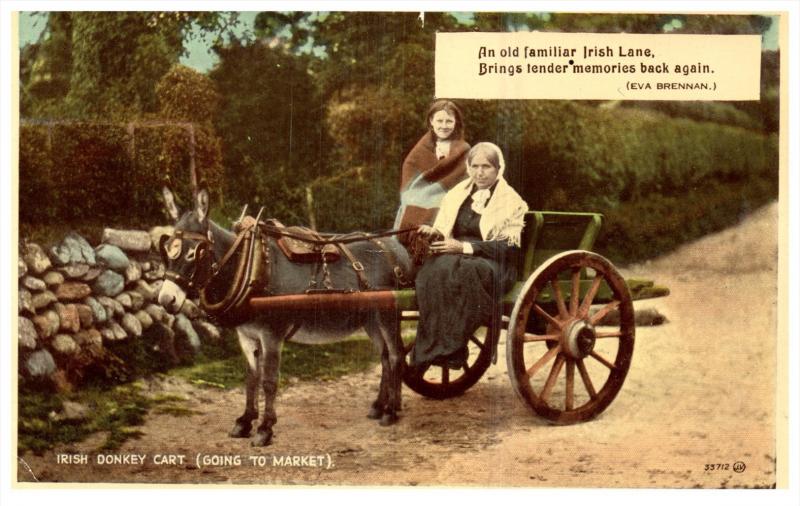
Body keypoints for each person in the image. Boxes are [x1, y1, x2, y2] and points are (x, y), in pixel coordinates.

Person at [410, 142, 529, 371]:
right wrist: (434, 232)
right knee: (431, 270)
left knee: (465, 272)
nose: (480, 172)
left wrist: (465, 248)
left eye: (487, 166)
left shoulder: (511, 201)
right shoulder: (458, 194)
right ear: (468, 167)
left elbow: (507, 247)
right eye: (474, 166)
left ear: (498, 169)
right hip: (457, 256)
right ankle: (432, 351)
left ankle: (453, 350)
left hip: (495, 264)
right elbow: (446, 229)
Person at [394, 100, 470, 246]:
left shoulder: (464, 150)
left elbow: (465, 183)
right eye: (439, 120)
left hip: (450, 202)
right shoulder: (420, 150)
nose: (444, 126)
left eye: (449, 121)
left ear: (456, 123)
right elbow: (410, 181)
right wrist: (419, 197)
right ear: (431, 121)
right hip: (415, 200)